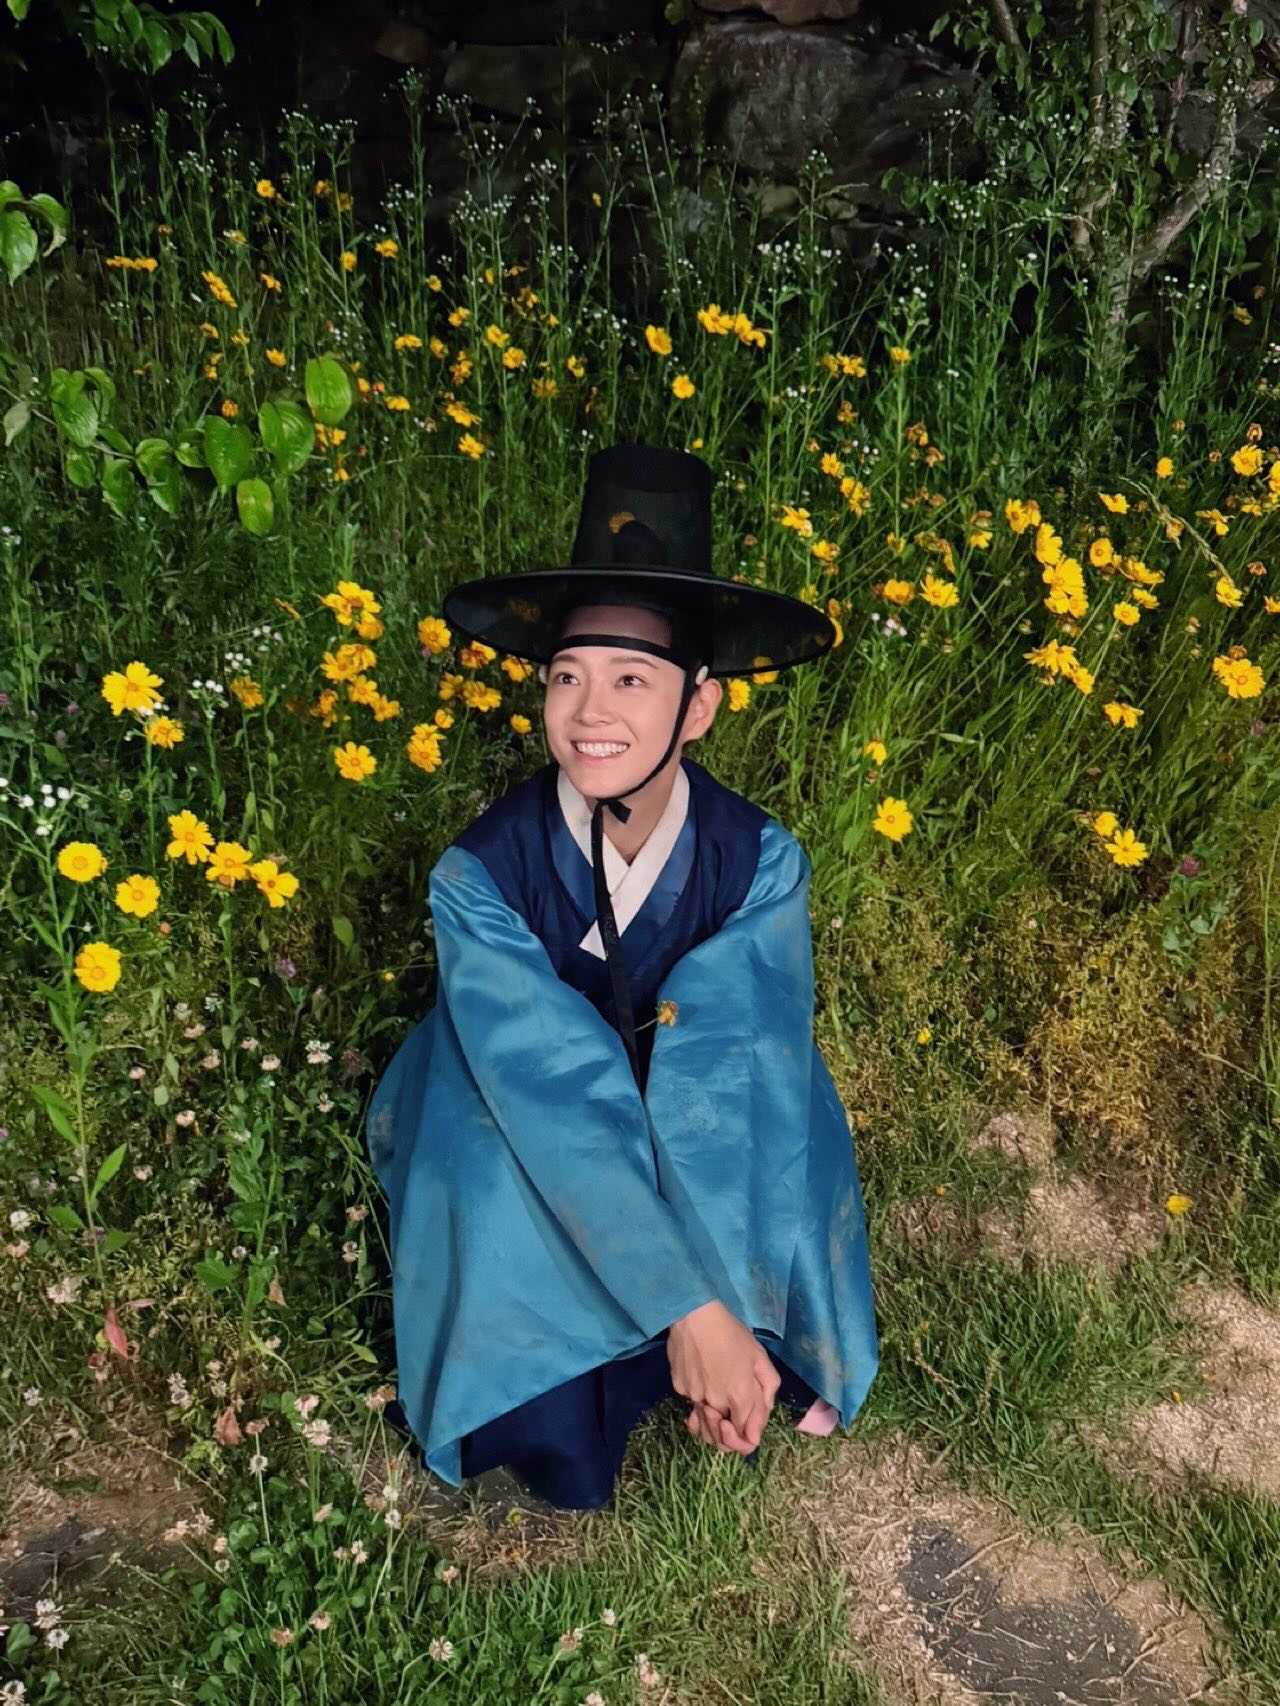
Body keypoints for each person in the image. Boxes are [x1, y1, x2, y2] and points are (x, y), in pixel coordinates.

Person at [366, 441, 878, 1512]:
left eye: (631, 679)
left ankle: (735, 1343)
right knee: (485, 1168)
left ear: (699, 707)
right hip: (520, 1102)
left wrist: (713, 1296)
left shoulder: (758, 861)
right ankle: (654, 1355)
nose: (589, 712)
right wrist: (692, 1303)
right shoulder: (480, 875)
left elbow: (738, 1061)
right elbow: (548, 1086)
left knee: (763, 1109)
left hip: (704, 1098)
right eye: (568, 676)